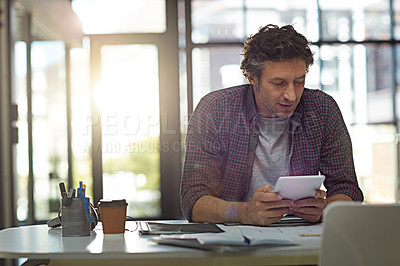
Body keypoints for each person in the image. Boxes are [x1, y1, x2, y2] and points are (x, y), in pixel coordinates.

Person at [180, 24, 364, 226]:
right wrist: (244, 212)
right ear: (251, 77)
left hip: (303, 236)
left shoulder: (322, 109)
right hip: (232, 239)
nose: (291, 95)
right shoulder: (215, 109)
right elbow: (193, 199)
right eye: (278, 83)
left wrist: (326, 209)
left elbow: (348, 190)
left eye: (299, 81)